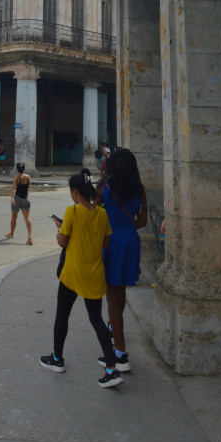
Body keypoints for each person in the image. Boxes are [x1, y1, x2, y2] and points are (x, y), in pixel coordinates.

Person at [39, 171, 122, 388]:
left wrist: (60, 228)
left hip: (72, 274)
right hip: (94, 275)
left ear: (75, 192)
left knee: (62, 316)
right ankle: (112, 369)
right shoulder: (102, 214)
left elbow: (62, 242)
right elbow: (106, 244)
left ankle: (57, 359)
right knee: (97, 321)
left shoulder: (73, 211)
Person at [96, 147, 147, 373]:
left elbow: (91, 214)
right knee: (121, 293)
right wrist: (126, 228)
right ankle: (114, 330)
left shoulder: (104, 188)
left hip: (112, 242)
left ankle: (120, 353)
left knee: (111, 298)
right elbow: (143, 220)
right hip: (130, 241)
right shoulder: (139, 189)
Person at [5, 162, 33, 244]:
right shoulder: (28, 177)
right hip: (26, 200)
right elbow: (27, 187)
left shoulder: (16, 177)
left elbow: (14, 188)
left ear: (17, 169)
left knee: (14, 218)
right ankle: (30, 236)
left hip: (17, 199)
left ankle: (12, 234)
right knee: (27, 218)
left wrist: (12, 198)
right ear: (24, 169)